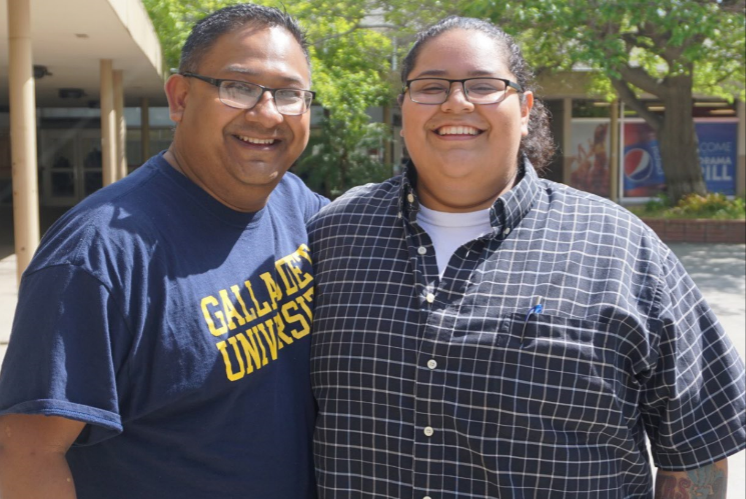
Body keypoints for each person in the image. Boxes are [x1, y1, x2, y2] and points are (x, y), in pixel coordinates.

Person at [308, 16, 745, 499]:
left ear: (525, 109)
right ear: (404, 107)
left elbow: (697, 444)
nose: (456, 101)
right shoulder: (335, 235)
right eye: (430, 87)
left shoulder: (620, 247)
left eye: (484, 85)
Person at [0, 4, 326, 498]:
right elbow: (27, 456)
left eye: (289, 94)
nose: (267, 113)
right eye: (238, 87)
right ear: (180, 97)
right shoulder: (96, 256)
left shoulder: (293, 202)